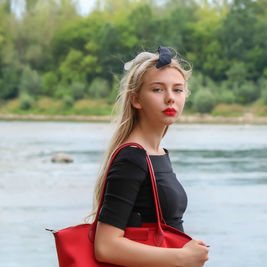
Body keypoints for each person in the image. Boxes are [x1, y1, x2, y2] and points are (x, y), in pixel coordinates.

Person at [89, 46, 209, 266]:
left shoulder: (157, 153)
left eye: (178, 90)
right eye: (157, 90)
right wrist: (181, 257)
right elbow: (105, 246)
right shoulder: (132, 157)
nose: (170, 98)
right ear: (136, 100)